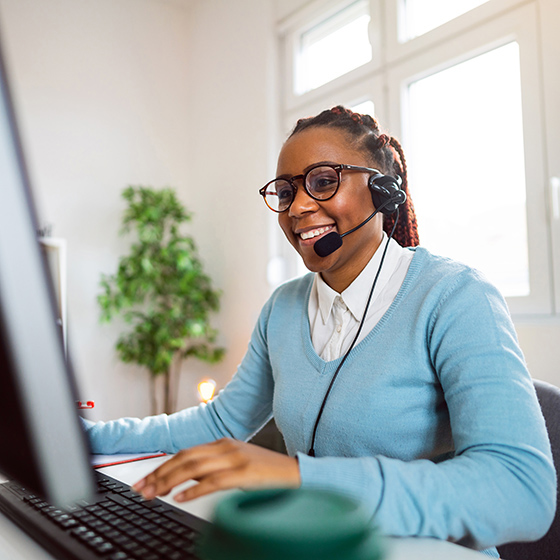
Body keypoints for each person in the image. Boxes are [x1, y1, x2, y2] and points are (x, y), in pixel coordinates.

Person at [83, 106, 556, 556]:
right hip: (315, 545)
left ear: (383, 192)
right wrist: (85, 437)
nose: (298, 208)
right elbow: (218, 424)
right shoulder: (284, 308)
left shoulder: (454, 296)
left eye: (324, 182)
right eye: (287, 192)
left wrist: (299, 477)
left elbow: (519, 490)